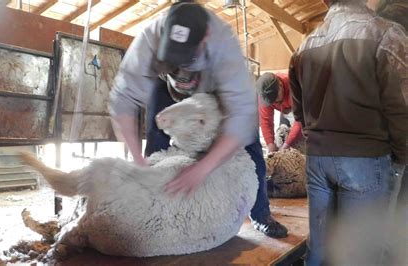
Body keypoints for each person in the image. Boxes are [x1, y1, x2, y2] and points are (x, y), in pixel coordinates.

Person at [109, 2, 288, 238]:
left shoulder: (225, 46)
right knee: (156, 140)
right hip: (167, 86)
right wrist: (137, 159)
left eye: (186, 56)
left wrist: (202, 168)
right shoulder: (149, 37)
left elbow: (241, 118)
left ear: (206, 37)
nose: (182, 63)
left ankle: (260, 213)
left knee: (251, 146)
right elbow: (123, 99)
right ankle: (155, 212)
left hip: (214, 89)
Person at [289, 0, 407, 264]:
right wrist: (401, 157)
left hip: (318, 160)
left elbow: (299, 113)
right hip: (365, 159)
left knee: (318, 250)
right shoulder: (386, 35)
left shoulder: (304, 45)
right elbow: (402, 108)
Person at [255, 72, 303, 152]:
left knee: (301, 142)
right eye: (271, 101)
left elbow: (301, 120)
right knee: (281, 136)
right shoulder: (265, 95)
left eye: (276, 97)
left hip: (303, 109)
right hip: (285, 110)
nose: (274, 102)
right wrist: (270, 144)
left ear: (280, 85)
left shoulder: (295, 86)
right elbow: (266, 121)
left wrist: (287, 144)